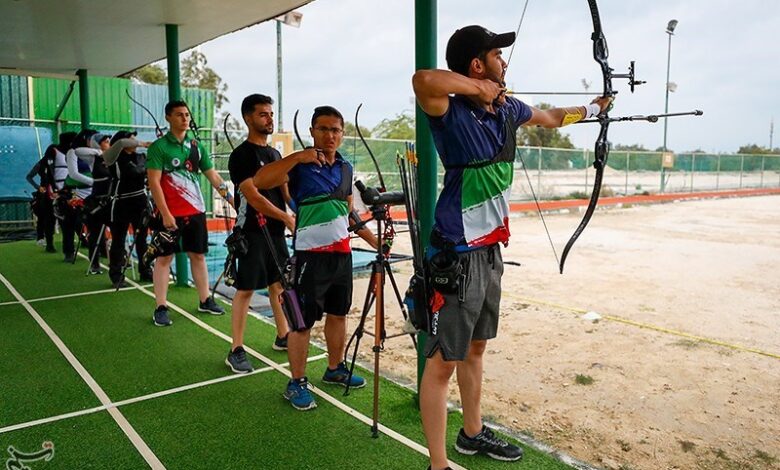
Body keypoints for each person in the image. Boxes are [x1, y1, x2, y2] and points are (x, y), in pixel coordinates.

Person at [412, 25, 612, 469]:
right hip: (457, 252)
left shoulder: (508, 111)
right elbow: (424, 79)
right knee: (444, 361)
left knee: (477, 347)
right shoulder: (450, 109)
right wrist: (479, 88)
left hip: (490, 249)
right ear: (478, 64)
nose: (505, 63)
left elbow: (554, 117)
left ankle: (472, 433)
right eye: (497, 56)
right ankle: (438, 464)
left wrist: (593, 108)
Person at [254, 105, 378, 410]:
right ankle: (295, 381)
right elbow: (260, 181)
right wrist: (297, 156)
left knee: (338, 314)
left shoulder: (346, 169)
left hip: (341, 257)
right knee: (301, 322)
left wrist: (373, 240)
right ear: (312, 131)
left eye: (335, 130)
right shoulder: (298, 165)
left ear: (342, 133)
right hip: (309, 257)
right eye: (323, 129)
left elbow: (348, 212)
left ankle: (334, 368)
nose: (330, 135)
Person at [224, 94, 302, 373]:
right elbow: (251, 196)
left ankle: (283, 335)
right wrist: (285, 216)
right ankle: (236, 348)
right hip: (252, 231)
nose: (269, 119)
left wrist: (300, 210)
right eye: (263, 114)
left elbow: (286, 193)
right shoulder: (241, 155)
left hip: (276, 232)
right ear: (248, 118)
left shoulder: (275, 155)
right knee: (245, 290)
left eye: (271, 114)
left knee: (278, 284)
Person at [146, 100, 233, 326]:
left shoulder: (196, 146)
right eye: (179, 115)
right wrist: (165, 214)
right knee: (164, 258)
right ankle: (161, 306)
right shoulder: (159, 148)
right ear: (168, 117)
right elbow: (154, 183)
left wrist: (233, 201)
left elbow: (214, 177)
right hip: (169, 214)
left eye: (186, 115)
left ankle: (205, 300)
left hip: (195, 212)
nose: (185, 119)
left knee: (198, 255)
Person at [103, 130, 153, 287]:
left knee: (142, 239)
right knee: (118, 240)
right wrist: (144, 144)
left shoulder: (141, 157)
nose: (135, 142)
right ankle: (116, 275)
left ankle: (145, 270)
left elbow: (147, 173)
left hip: (140, 201)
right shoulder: (113, 156)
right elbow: (122, 145)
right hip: (121, 203)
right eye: (132, 139)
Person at [26, 148, 57, 252]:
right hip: (44, 192)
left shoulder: (59, 162)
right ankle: (40, 237)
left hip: (56, 191)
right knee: (42, 215)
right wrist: (38, 187)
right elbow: (29, 177)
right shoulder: (41, 163)